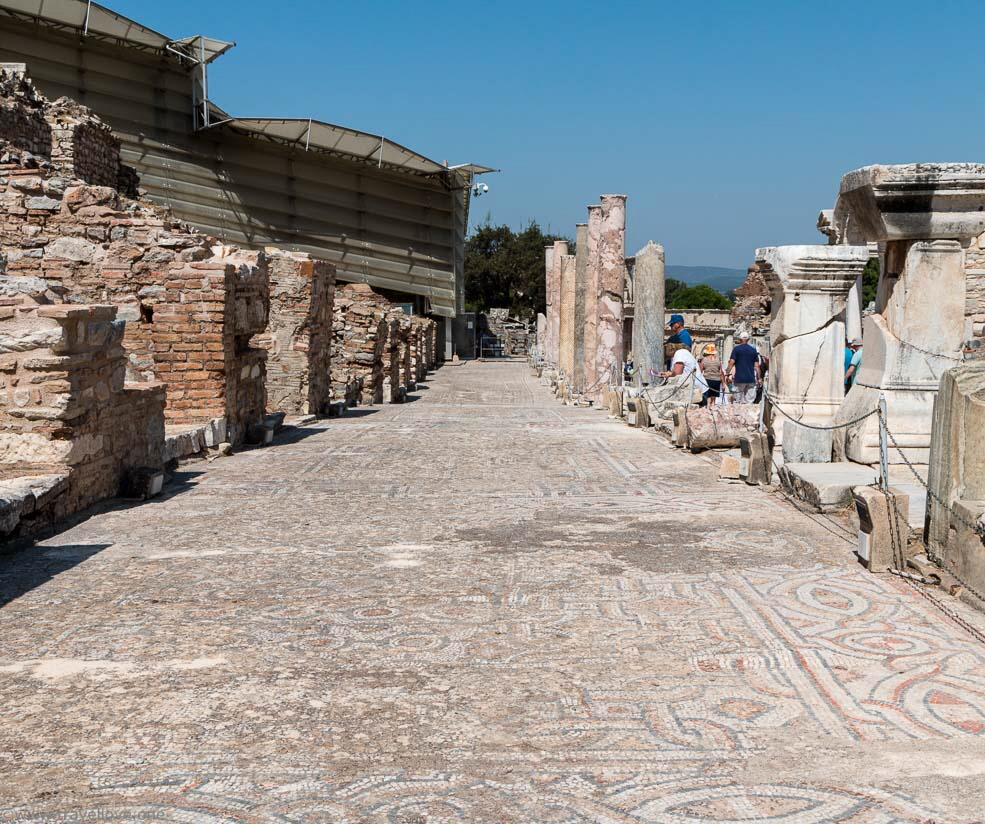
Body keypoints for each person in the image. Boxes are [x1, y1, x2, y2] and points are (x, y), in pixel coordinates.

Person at [726, 331, 761, 404]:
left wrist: (727, 373)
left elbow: (731, 362)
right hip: (750, 379)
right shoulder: (753, 350)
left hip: (739, 379)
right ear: (748, 340)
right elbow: (757, 366)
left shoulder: (736, 349)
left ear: (740, 339)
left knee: (737, 401)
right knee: (750, 402)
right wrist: (759, 378)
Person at [698, 343, 727, 407]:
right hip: (716, 380)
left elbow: (700, 371)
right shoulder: (718, 360)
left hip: (707, 379)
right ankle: (713, 407)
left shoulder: (704, 360)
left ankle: (708, 407)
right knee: (714, 397)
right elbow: (721, 373)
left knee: (708, 397)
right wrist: (723, 383)